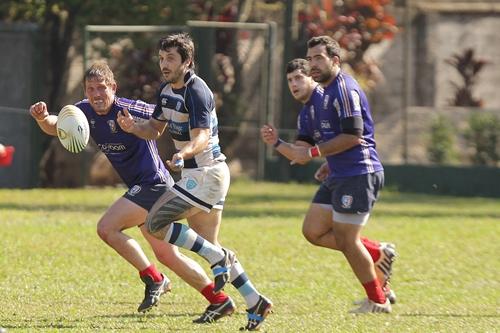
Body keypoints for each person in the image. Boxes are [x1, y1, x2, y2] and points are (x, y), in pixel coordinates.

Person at [29, 61, 235, 317]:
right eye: (90, 89)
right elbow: (58, 125)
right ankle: (219, 299)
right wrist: (41, 117)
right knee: (168, 255)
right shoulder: (83, 111)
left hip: (154, 184)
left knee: (107, 227)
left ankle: (155, 279)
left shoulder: (130, 109)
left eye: (101, 88)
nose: (96, 94)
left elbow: (162, 118)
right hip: (142, 188)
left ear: (113, 87)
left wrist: (193, 130)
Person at [117, 33, 272, 331]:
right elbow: (154, 129)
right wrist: (133, 127)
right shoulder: (166, 91)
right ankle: (255, 302)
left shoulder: (197, 91)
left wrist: (183, 154)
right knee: (210, 243)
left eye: (171, 59)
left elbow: (200, 136)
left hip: (207, 174)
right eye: (162, 59)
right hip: (197, 176)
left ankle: (217, 259)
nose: (164, 64)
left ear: (187, 61)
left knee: (154, 223)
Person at [260, 41, 396, 314]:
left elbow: (353, 135)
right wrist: (278, 144)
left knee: (347, 240)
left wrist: (315, 152)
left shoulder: (344, 90)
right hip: (339, 173)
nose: (313, 64)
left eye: (318, 58)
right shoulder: (313, 104)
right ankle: (377, 253)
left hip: (359, 173)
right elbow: (300, 154)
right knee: (313, 231)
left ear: (335, 59)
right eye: (310, 59)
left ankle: (378, 300)